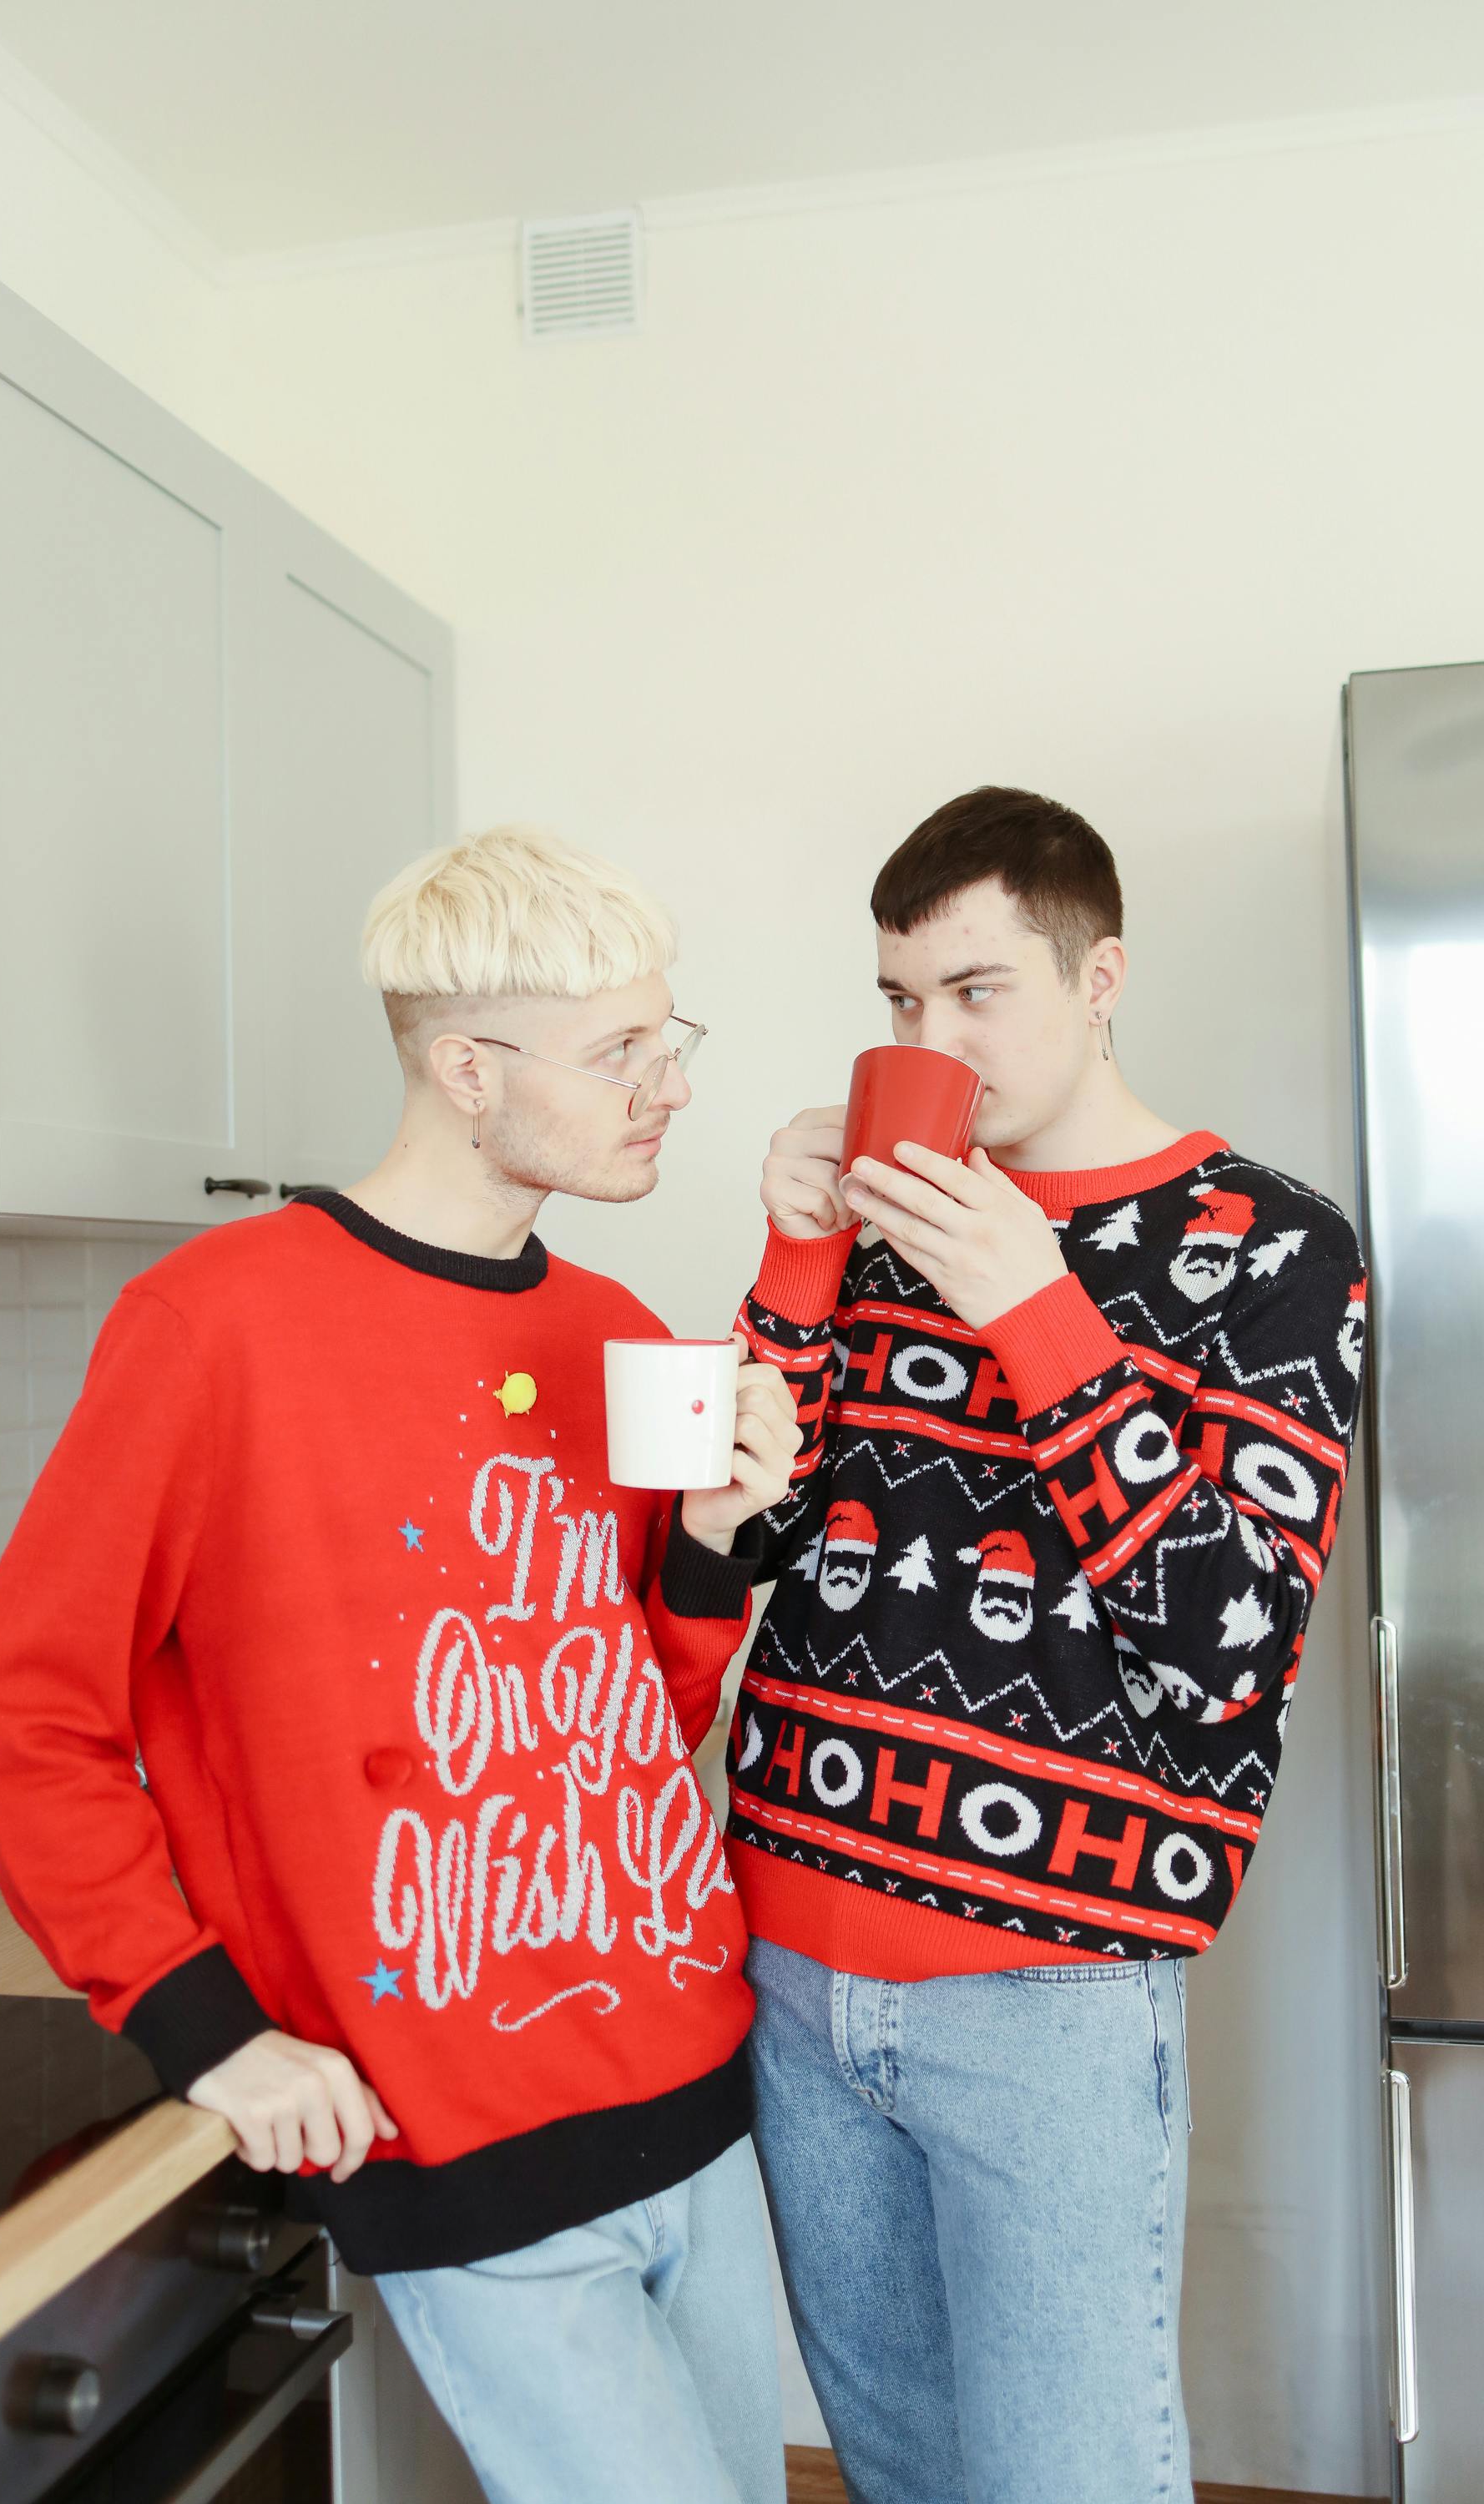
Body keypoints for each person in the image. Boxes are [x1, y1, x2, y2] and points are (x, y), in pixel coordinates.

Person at [0, 825, 800, 2504]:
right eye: (620, 1050)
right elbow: (30, 1708)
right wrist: (205, 2030)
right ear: (468, 1068)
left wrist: (713, 1551)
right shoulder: (215, 1327)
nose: (668, 1087)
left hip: (693, 2076)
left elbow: (628, 1713)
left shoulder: (613, 1330)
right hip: (454, 2121)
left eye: (667, 1040)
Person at [729, 785, 1366, 2504]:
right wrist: (796, 1257)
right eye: (896, 1003)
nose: (930, 1039)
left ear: (1100, 981)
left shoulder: (1277, 1250)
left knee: (1065, 2477)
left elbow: (1224, 1651)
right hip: (791, 1964)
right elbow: (743, 1536)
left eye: (975, 991)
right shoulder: (883, 1234)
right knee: (901, 2471)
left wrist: (1037, 1310)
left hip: (1047, 1985)